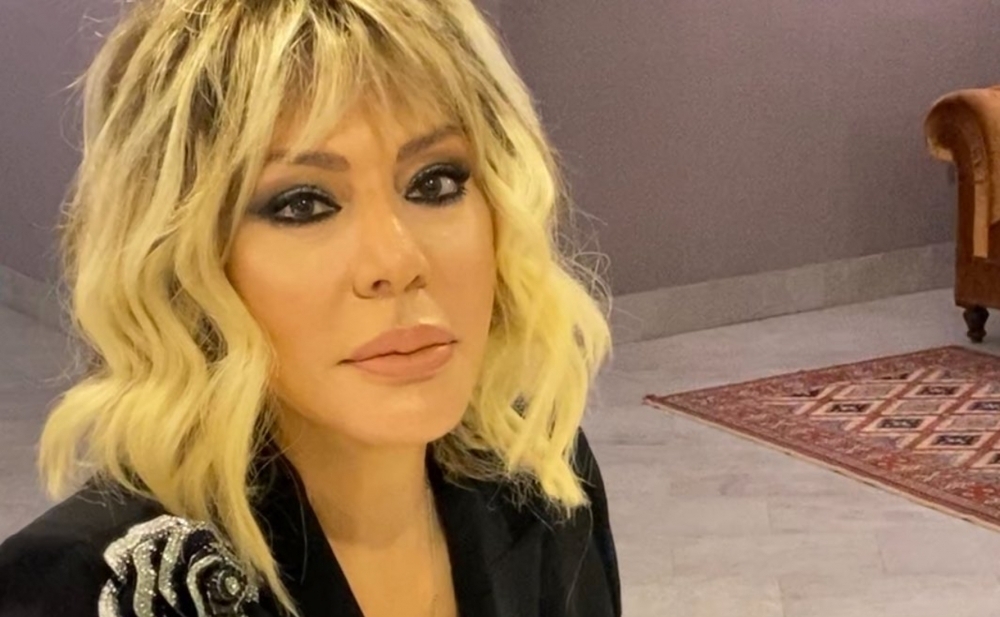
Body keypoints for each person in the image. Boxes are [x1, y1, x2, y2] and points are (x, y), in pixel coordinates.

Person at [0, 1, 619, 616]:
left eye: (434, 183)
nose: (398, 261)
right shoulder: (90, 589)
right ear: (184, 257)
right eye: (303, 204)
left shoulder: (541, 471)